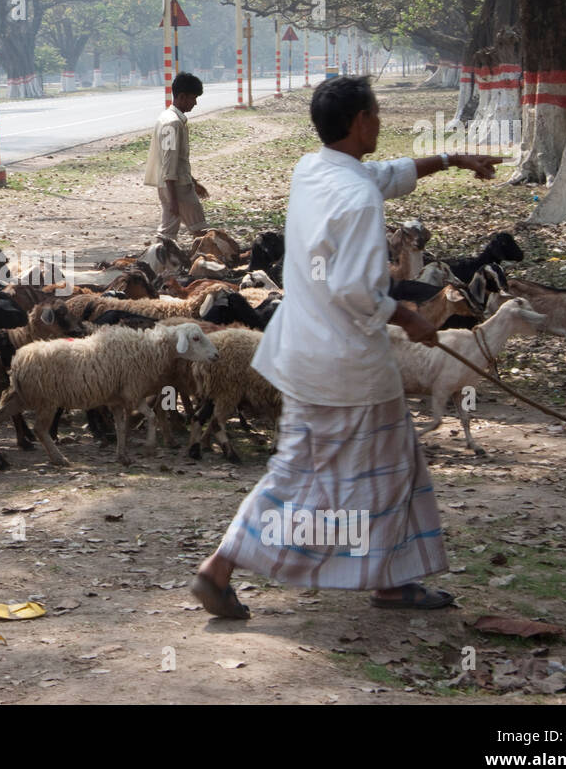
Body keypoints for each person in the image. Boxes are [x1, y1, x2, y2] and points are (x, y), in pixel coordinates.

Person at [190, 75, 503, 618]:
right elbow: (356, 289)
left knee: (374, 463)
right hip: (347, 365)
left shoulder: (316, 170)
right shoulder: (357, 196)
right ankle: (222, 567)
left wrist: (451, 159)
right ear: (361, 122)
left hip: (306, 352)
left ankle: (388, 577)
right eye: (377, 114)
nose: (380, 122)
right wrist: (409, 317)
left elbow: (384, 176)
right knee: (343, 471)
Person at [144, 72, 210, 240]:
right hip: (178, 187)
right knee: (201, 232)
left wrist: (194, 182)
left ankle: (157, 262)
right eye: (193, 98)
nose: (195, 103)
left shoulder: (167, 117)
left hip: (170, 185)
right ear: (182, 96)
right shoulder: (172, 123)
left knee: (167, 233)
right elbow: (169, 161)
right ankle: (206, 264)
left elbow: (176, 161)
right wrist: (174, 198)